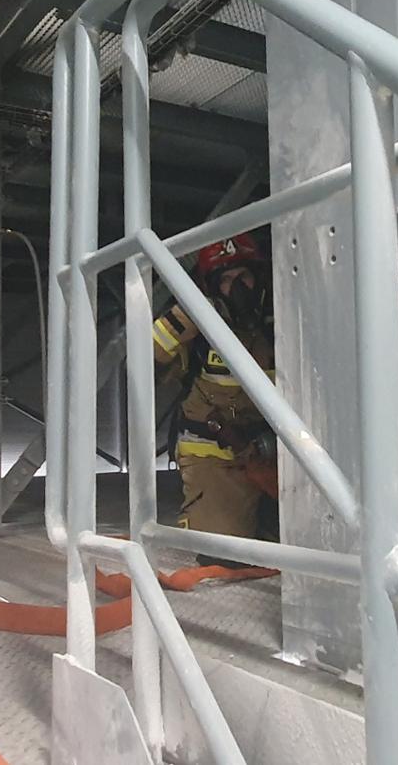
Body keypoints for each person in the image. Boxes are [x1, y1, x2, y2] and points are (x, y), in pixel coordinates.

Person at [153, 234, 279, 560]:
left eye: (244, 278)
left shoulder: (282, 323)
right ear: (212, 289)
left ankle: (265, 518)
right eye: (225, 280)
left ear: (260, 279)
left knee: (306, 543)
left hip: (274, 454)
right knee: (224, 555)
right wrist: (187, 317)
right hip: (216, 456)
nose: (237, 289)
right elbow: (142, 358)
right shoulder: (198, 327)